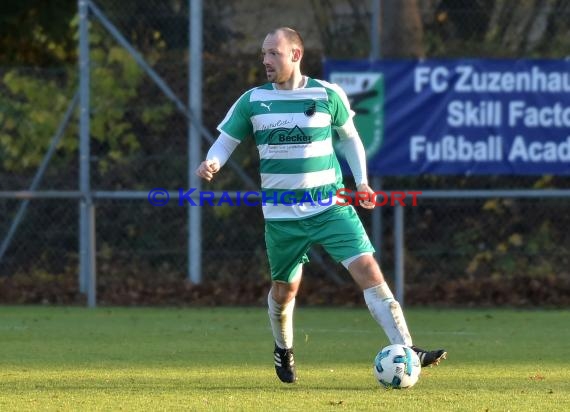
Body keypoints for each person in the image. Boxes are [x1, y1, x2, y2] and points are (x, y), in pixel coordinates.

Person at [196, 27, 446, 383]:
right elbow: (225, 141)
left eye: (273, 53)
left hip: (330, 206)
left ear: (296, 55)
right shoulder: (253, 100)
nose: (265, 60)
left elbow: (350, 140)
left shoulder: (327, 94)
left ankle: (407, 348)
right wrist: (213, 162)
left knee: (370, 272)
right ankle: (283, 349)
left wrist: (360, 182)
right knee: (285, 291)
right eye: (263, 54)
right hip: (282, 216)